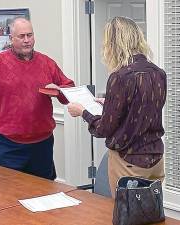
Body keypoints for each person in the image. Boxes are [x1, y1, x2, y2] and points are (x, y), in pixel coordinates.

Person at [0, 17, 74, 180]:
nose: (27, 41)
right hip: (7, 145)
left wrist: (60, 91)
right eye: (21, 36)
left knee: (44, 193)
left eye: (29, 35)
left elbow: (69, 90)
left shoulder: (47, 63)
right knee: (7, 194)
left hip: (42, 145)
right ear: (11, 38)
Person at [67, 16, 166, 197]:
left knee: (128, 215)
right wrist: (110, 104)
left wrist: (83, 112)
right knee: (151, 212)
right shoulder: (158, 73)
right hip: (156, 157)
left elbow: (104, 129)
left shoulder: (120, 77)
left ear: (113, 43)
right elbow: (146, 108)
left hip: (129, 162)